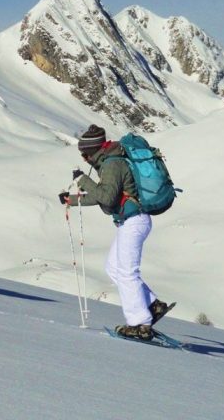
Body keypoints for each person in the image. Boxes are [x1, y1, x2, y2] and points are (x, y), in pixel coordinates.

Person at [59, 124, 172, 340]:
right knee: (113, 267)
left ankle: (140, 324)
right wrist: (72, 200)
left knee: (128, 272)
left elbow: (107, 198)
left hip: (134, 221)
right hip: (129, 221)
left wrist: (83, 180)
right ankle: (152, 305)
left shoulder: (112, 164)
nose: (84, 159)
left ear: (93, 151)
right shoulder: (110, 161)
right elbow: (106, 196)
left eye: (84, 154)